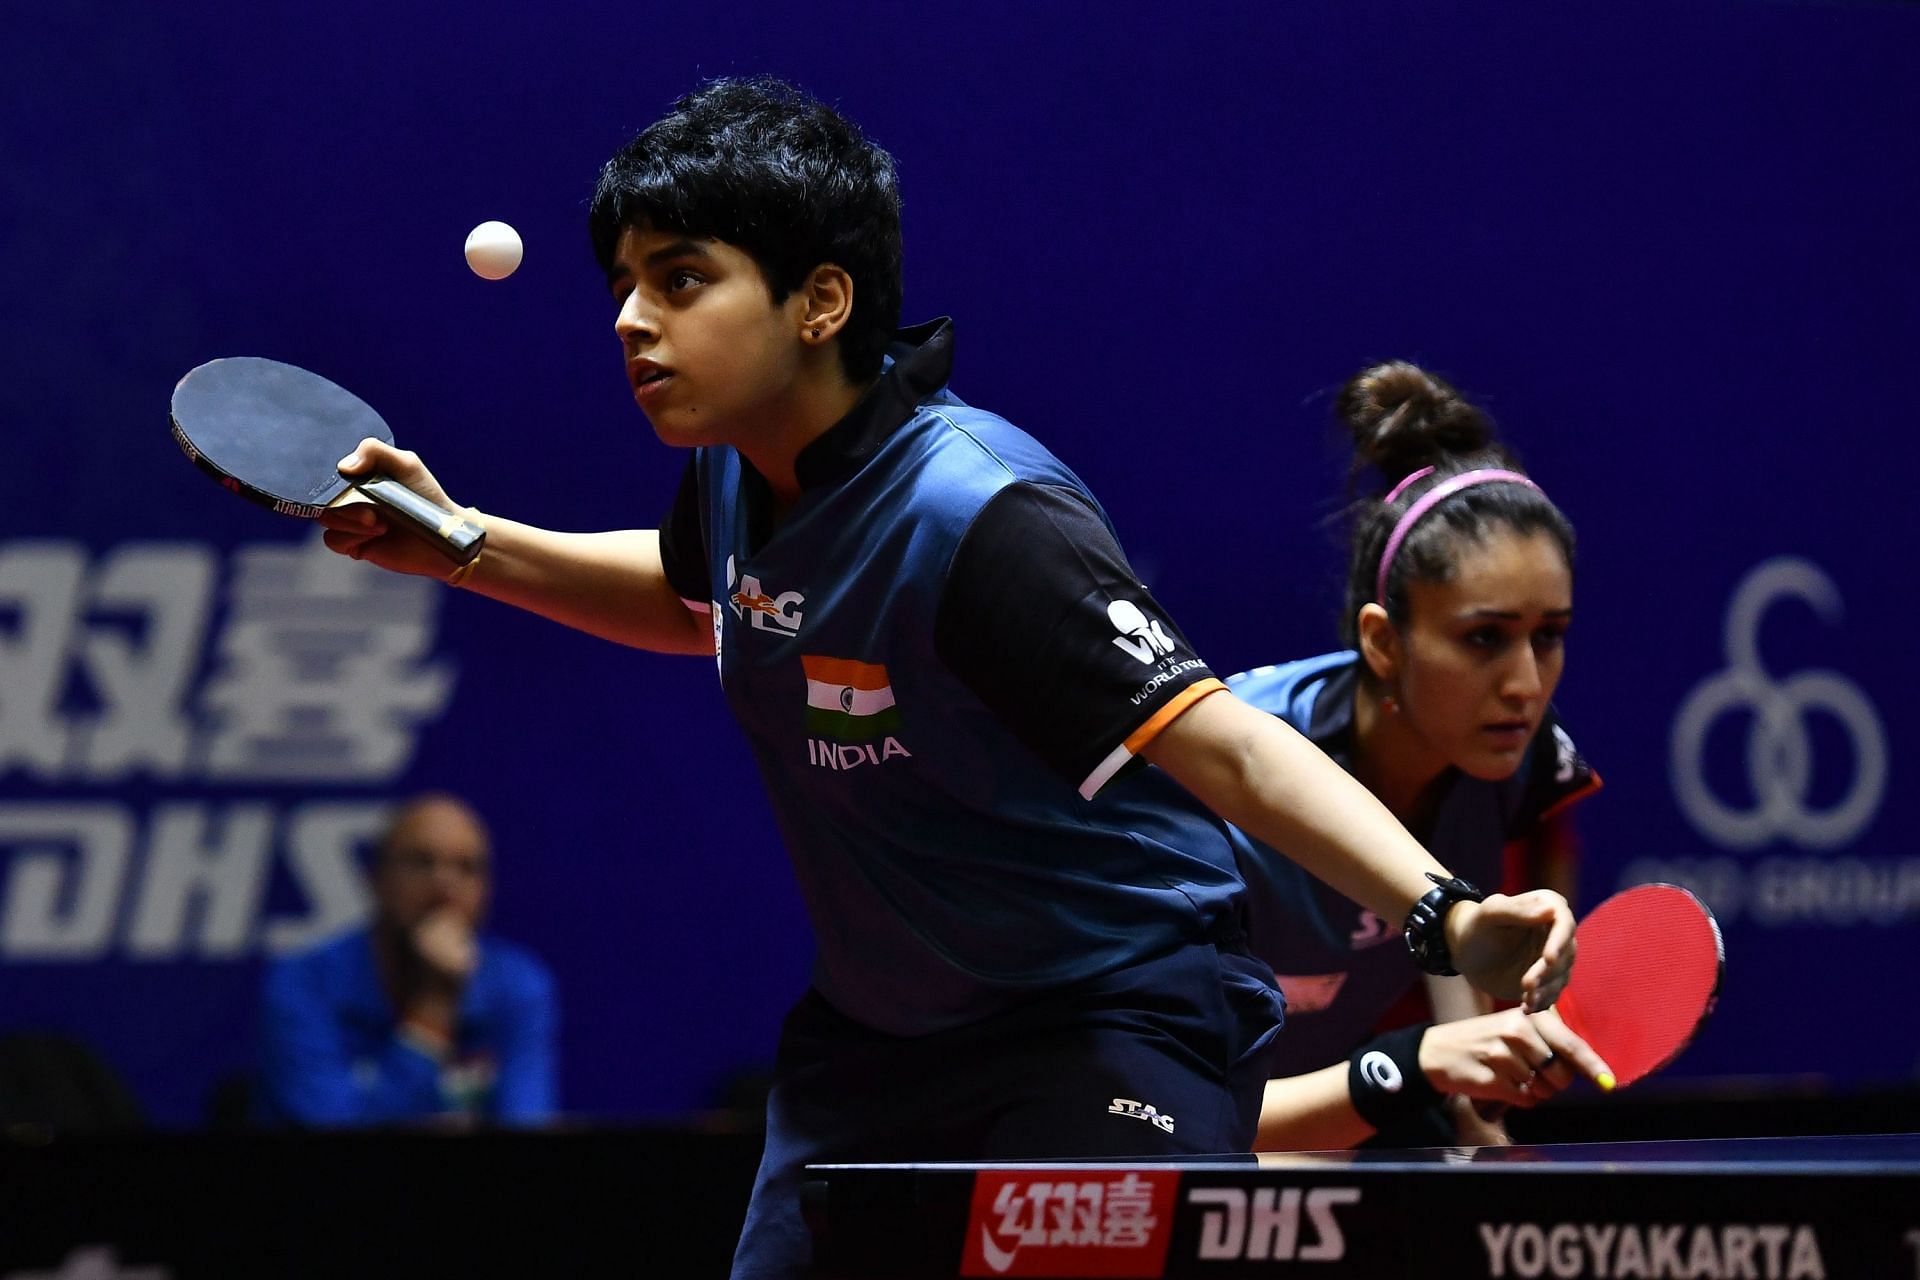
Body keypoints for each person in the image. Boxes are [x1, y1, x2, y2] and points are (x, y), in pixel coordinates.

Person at [316, 79, 1575, 1278]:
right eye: (626, 284)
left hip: (1104, 1017)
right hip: (878, 1043)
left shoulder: (978, 516)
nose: (631, 320)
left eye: (682, 279)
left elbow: (1225, 743)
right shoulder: (743, 469)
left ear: (820, 300)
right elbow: (702, 594)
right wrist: (467, 545)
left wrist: (1447, 912)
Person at [1233, 361, 1608, 1151]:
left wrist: (1489, 1094)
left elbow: (1471, 1060)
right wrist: (1420, 1065)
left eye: (1550, 636)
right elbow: (1153, 1123)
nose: (1527, 684)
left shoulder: (1523, 770)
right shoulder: (1228, 784)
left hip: (1345, 1137)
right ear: (1383, 642)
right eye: (1484, 638)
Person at [254, 793, 557, 1127]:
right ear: (376, 880)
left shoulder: (518, 986)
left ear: (486, 892)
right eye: (421, 862)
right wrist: (435, 1002)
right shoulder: (304, 983)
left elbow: (526, 1125)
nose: (444, 883)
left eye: (467, 868)